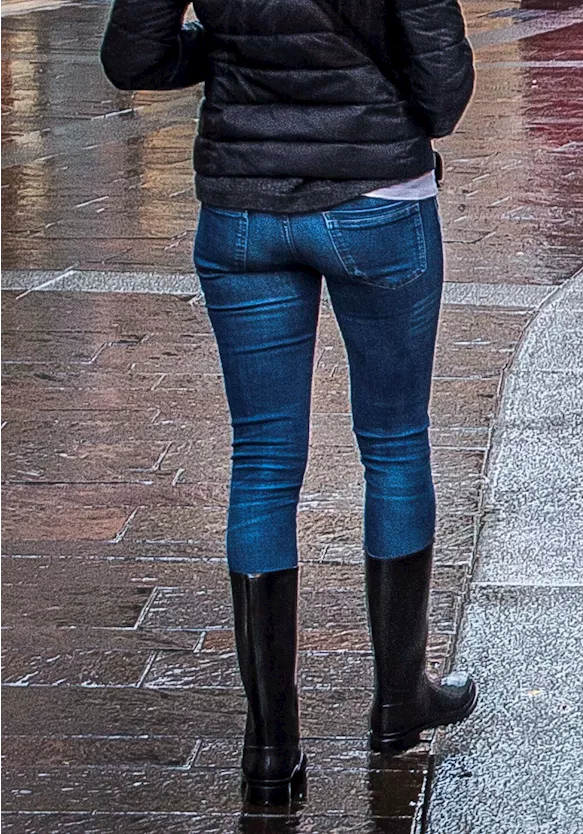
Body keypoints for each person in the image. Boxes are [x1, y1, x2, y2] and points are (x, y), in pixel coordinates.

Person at [101, 0, 478, 806]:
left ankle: (270, 750)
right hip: (379, 200)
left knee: (263, 465)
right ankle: (397, 705)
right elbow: (445, 90)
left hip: (242, 207)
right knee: (395, 445)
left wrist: (238, 51)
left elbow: (134, 58)